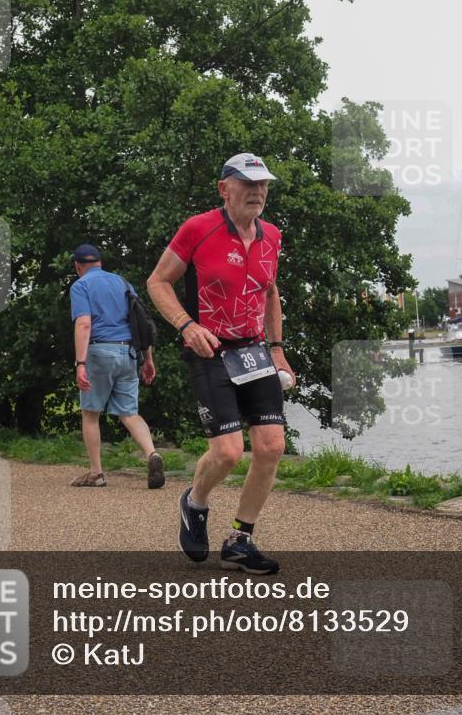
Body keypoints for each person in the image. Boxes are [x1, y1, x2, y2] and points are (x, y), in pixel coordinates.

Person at [147, 153, 294, 575]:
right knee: (228, 452)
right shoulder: (198, 228)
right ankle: (194, 502)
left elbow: (268, 293)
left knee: (271, 447)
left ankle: (240, 540)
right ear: (223, 188)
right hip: (210, 350)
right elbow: (158, 282)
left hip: (254, 351)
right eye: (248, 183)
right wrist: (186, 325)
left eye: (263, 184)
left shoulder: (272, 236)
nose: (258, 191)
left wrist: (278, 348)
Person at [70, 244, 165, 489]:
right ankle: (153, 454)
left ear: (78, 266)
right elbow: (141, 321)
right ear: (100, 262)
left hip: (99, 351)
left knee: (90, 414)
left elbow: (83, 324)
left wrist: (81, 363)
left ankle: (96, 473)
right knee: (129, 413)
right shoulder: (123, 283)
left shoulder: (81, 285)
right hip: (129, 352)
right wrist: (148, 358)